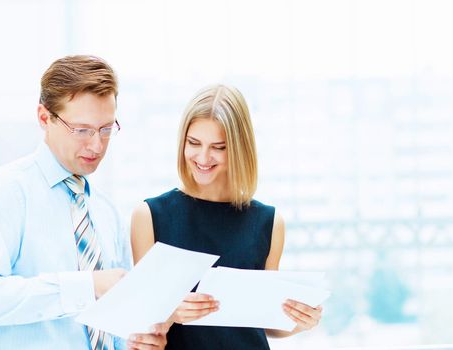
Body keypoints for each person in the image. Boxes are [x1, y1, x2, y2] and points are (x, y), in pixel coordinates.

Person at [0, 55, 168, 350]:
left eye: (106, 129)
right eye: (82, 130)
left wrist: (135, 341)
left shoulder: (105, 211)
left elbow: (114, 321)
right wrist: (85, 287)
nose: (97, 145)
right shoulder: (2, 194)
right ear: (44, 118)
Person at [131, 84, 323, 349]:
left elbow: (262, 322)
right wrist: (172, 313)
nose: (203, 157)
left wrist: (299, 322)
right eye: (193, 143)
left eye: (218, 147)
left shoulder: (268, 222)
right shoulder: (150, 216)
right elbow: (143, 322)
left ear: (238, 147)